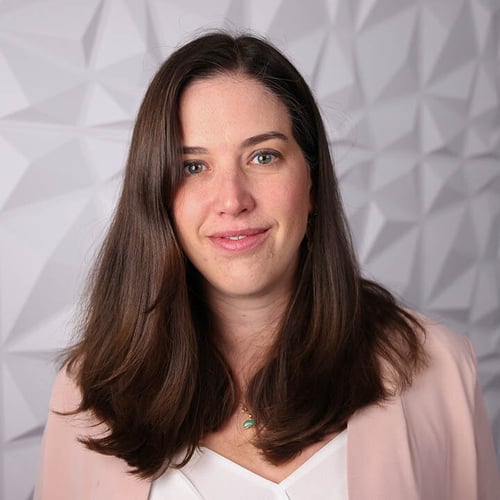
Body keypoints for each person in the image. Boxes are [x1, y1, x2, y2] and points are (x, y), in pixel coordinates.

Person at [34, 31, 499, 500]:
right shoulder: (86, 392)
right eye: (193, 166)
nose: (232, 199)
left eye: (263, 156)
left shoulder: (439, 367)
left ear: (312, 182)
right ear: (157, 195)